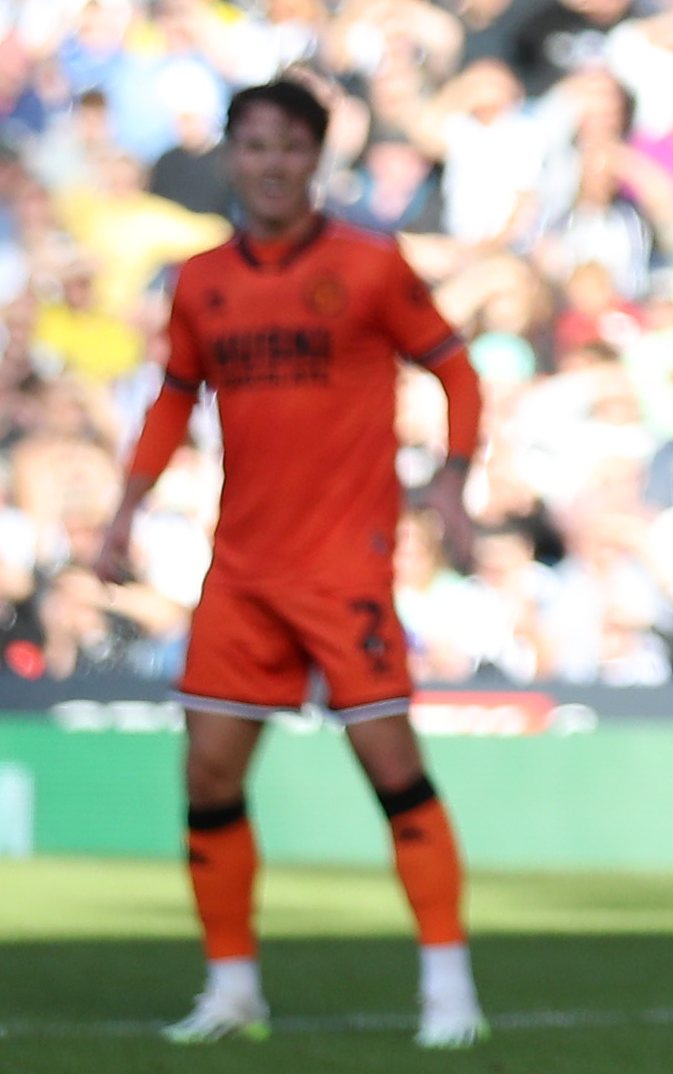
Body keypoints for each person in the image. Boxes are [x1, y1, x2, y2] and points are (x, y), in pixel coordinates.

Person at [96, 76, 489, 1048]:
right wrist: (123, 512)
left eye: (289, 147)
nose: (271, 165)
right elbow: (172, 400)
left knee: (390, 764)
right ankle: (233, 991)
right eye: (255, 146)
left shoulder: (368, 264)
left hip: (343, 562)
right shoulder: (199, 281)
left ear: (316, 159)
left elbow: (454, 368)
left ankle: (450, 994)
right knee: (209, 774)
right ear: (233, 156)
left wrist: (452, 482)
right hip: (242, 566)